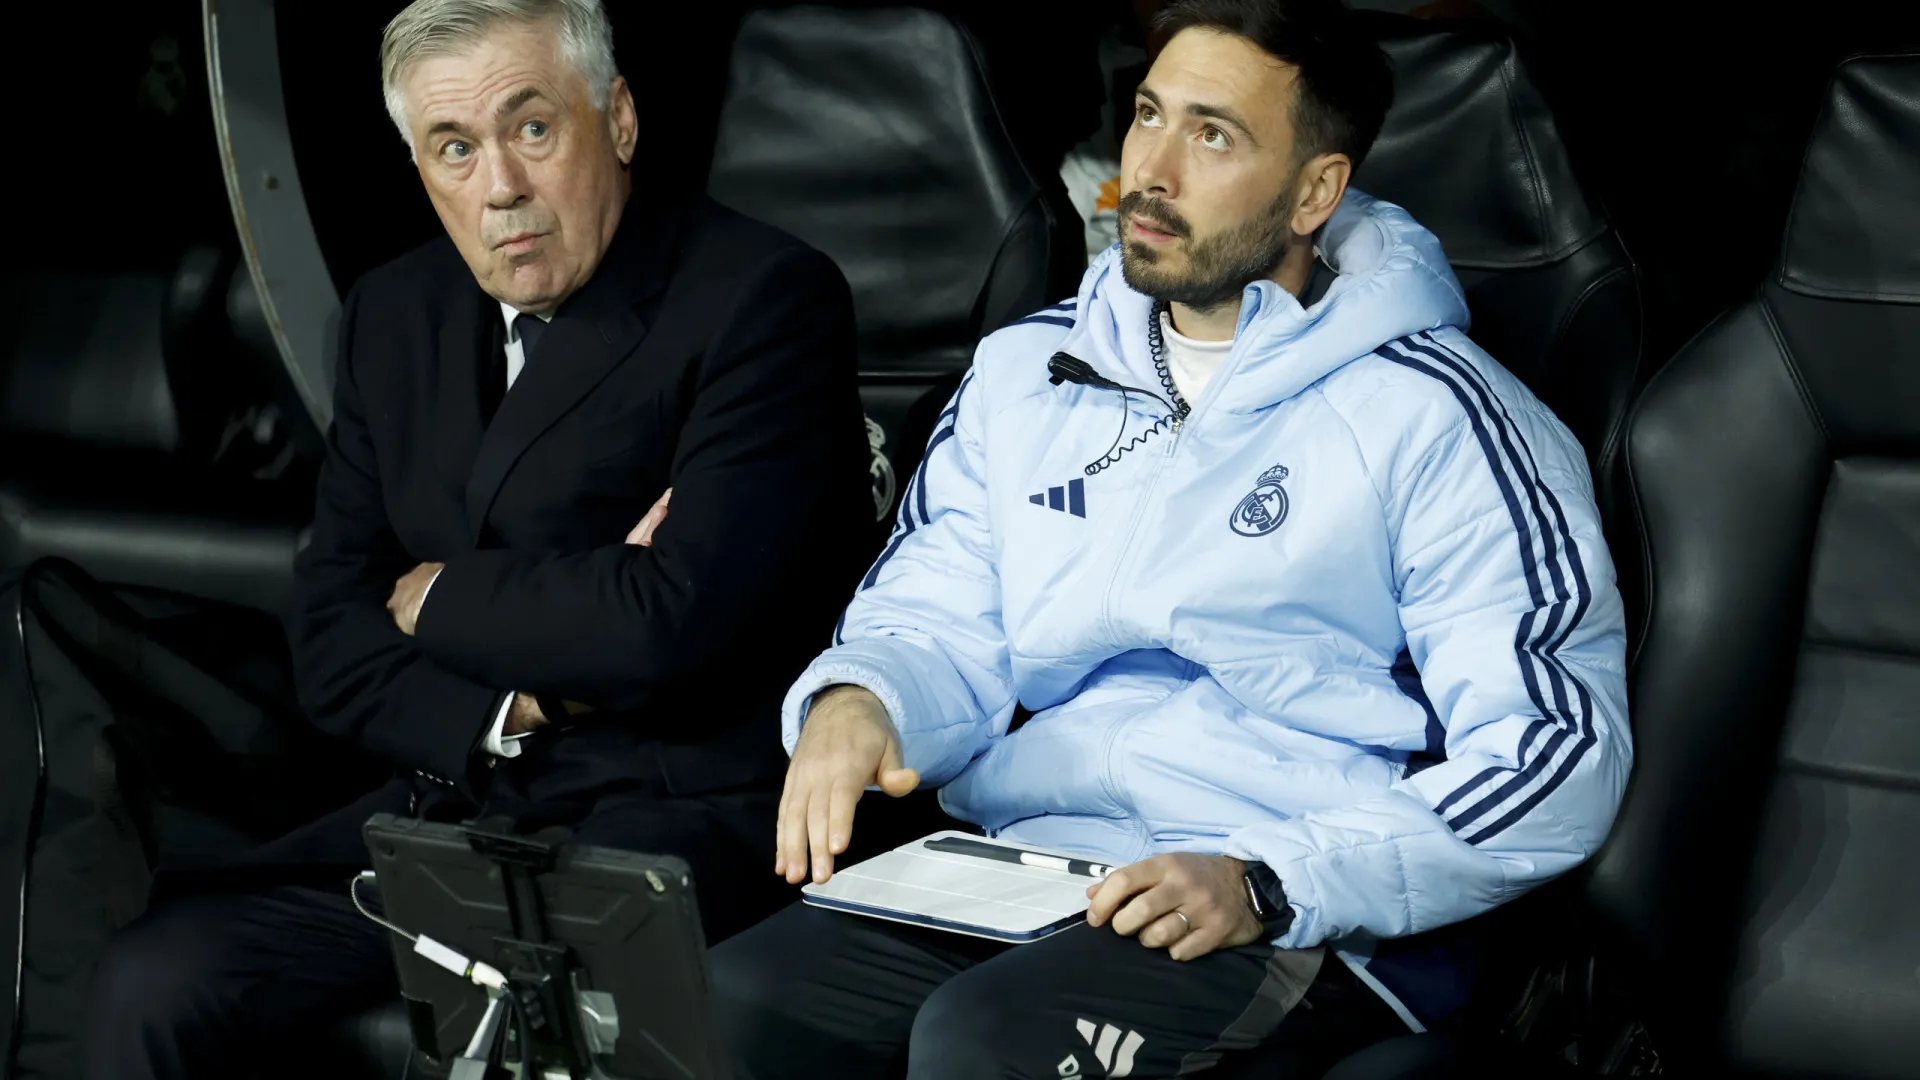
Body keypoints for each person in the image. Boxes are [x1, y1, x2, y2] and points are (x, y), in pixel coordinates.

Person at [710, 0, 1632, 1076]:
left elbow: (1553, 752)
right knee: (726, 1006)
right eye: (1149, 115)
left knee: (986, 1043)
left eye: (1214, 135)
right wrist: (864, 697)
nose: (1151, 169)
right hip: (1034, 867)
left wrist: (1269, 881)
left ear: (1315, 193)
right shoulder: (1028, 371)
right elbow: (937, 611)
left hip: (1302, 904)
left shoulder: (1443, 416)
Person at [75, 1, 870, 1076]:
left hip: (669, 818)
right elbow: (333, 643)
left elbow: (663, 624)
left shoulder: (761, 298)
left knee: (559, 1021)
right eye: (454, 148)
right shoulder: (394, 314)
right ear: (420, 168)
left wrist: (438, 598)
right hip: (451, 801)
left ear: (619, 120)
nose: (500, 186)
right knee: (153, 979)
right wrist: (531, 697)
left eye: (532, 129)